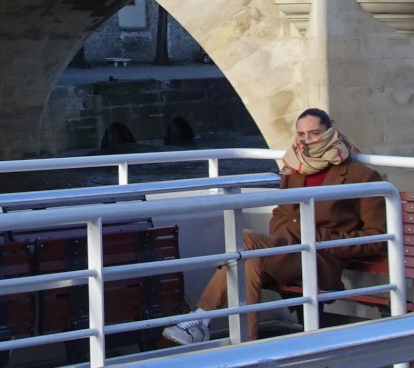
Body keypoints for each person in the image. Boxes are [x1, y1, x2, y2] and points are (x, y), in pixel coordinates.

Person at [163, 108, 388, 345]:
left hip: (322, 258)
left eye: (314, 133)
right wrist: (287, 237)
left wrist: (318, 236)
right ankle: (246, 345)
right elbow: (280, 214)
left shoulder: (360, 176)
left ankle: (201, 319)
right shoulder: (294, 170)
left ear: (330, 132)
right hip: (286, 250)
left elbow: (378, 237)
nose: (307, 141)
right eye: (301, 135)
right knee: (248, 261)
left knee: (246, 243)